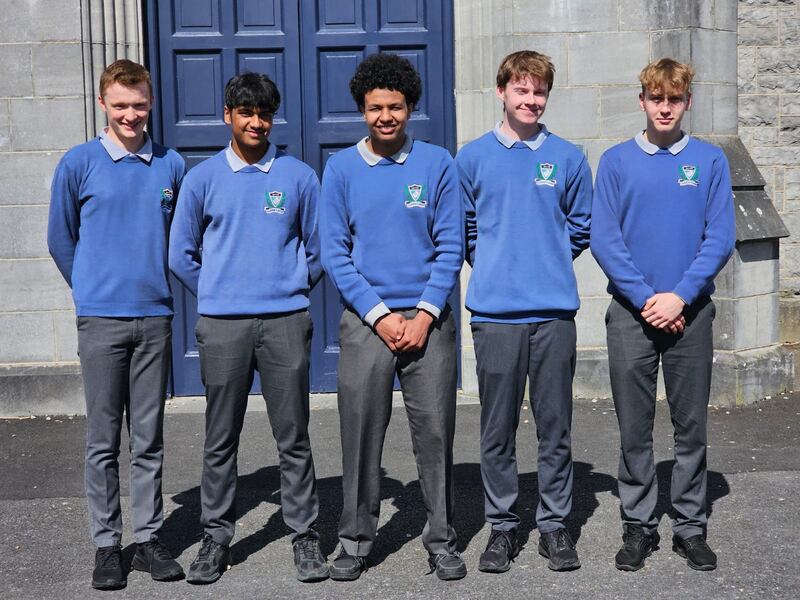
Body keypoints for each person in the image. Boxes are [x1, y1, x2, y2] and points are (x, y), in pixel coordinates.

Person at [169, 72, 327, 584]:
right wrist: (218, 291)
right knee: (220, 438)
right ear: (228, 116)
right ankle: (215, 538)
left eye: (263, 113)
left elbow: (320, 249)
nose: (256, 122)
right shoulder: (201, 179)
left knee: (294, 436)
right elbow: (181, 254)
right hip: (223, 327)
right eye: (245, 112)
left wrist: (289, 285)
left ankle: (304, 534)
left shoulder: (299, 177)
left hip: (285, 322)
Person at [319, 53, 466, 581]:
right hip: (367, 323)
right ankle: (356, 539)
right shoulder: (339, 169)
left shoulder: (437, 164)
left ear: (410, 108)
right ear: (362, 109)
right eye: (376, 107)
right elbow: (335, 252)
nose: (386, 116)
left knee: (435, 433)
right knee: (360, 434)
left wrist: (425, 315)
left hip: (430, 322)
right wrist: (380, 316)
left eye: (396, 106)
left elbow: (451, 245)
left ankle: (442, 538)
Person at [591, 58, 735, 572]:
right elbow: (604, 240)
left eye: (675, 99)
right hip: (632, 313)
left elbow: (719, 237)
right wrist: (649, 299)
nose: (666, 107)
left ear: (687, 102)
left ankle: (690, 527)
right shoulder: (615, 162)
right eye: (657, 98)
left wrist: (680, 296)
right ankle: (639, 525)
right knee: (635, 426)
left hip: (690, 313)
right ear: (643, 101)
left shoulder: (710, 161)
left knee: (689, 426)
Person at [47, 59, 186, 590]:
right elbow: (61, 240)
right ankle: (108, 545)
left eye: (140, 104)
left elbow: (180, 237)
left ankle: (149, 537)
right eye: (121, 105)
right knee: (103, 440)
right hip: (102, 320)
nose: (131, 115)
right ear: (102, 104)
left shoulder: (170, 165)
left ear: (151, 105)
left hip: (155, 318)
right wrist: (89, 290)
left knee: (148, 438)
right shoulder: (79, 163)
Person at [455, 50, 592, 573]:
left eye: (539, 92)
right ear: (502, 92)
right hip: (495, 315)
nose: (530, 100)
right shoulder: (471, 158)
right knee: (497, 429)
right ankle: (503, 527)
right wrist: (495, 263)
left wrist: (546, 261)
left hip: (554, 314)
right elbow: (465, 230)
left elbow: (581, 227)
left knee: (555, 427)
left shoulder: (568, 158)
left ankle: (554, 526)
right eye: (521, 90)